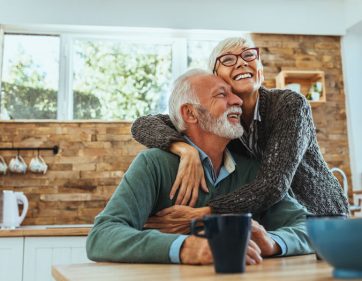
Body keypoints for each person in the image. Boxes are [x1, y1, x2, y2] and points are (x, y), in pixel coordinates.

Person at [86, 69, 313, 265]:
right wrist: (188, 247)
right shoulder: (153, 164)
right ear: (190, 113)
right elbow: (102, 236)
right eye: (222, 95)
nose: (238, 101)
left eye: (234, 94)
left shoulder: (252, 170)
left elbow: (309, 228)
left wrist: (272, 242)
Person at [131, 36, 349, 216]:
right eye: (227, 59)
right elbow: (143, 124)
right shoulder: (218, 120)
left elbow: (273, 185)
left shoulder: (289, 105)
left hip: (322, 217)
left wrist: (206, 212)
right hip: (275, 222)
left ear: (260, 70)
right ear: (216, 78)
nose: (242, 62)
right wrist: (183, 149)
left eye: (248, 55)